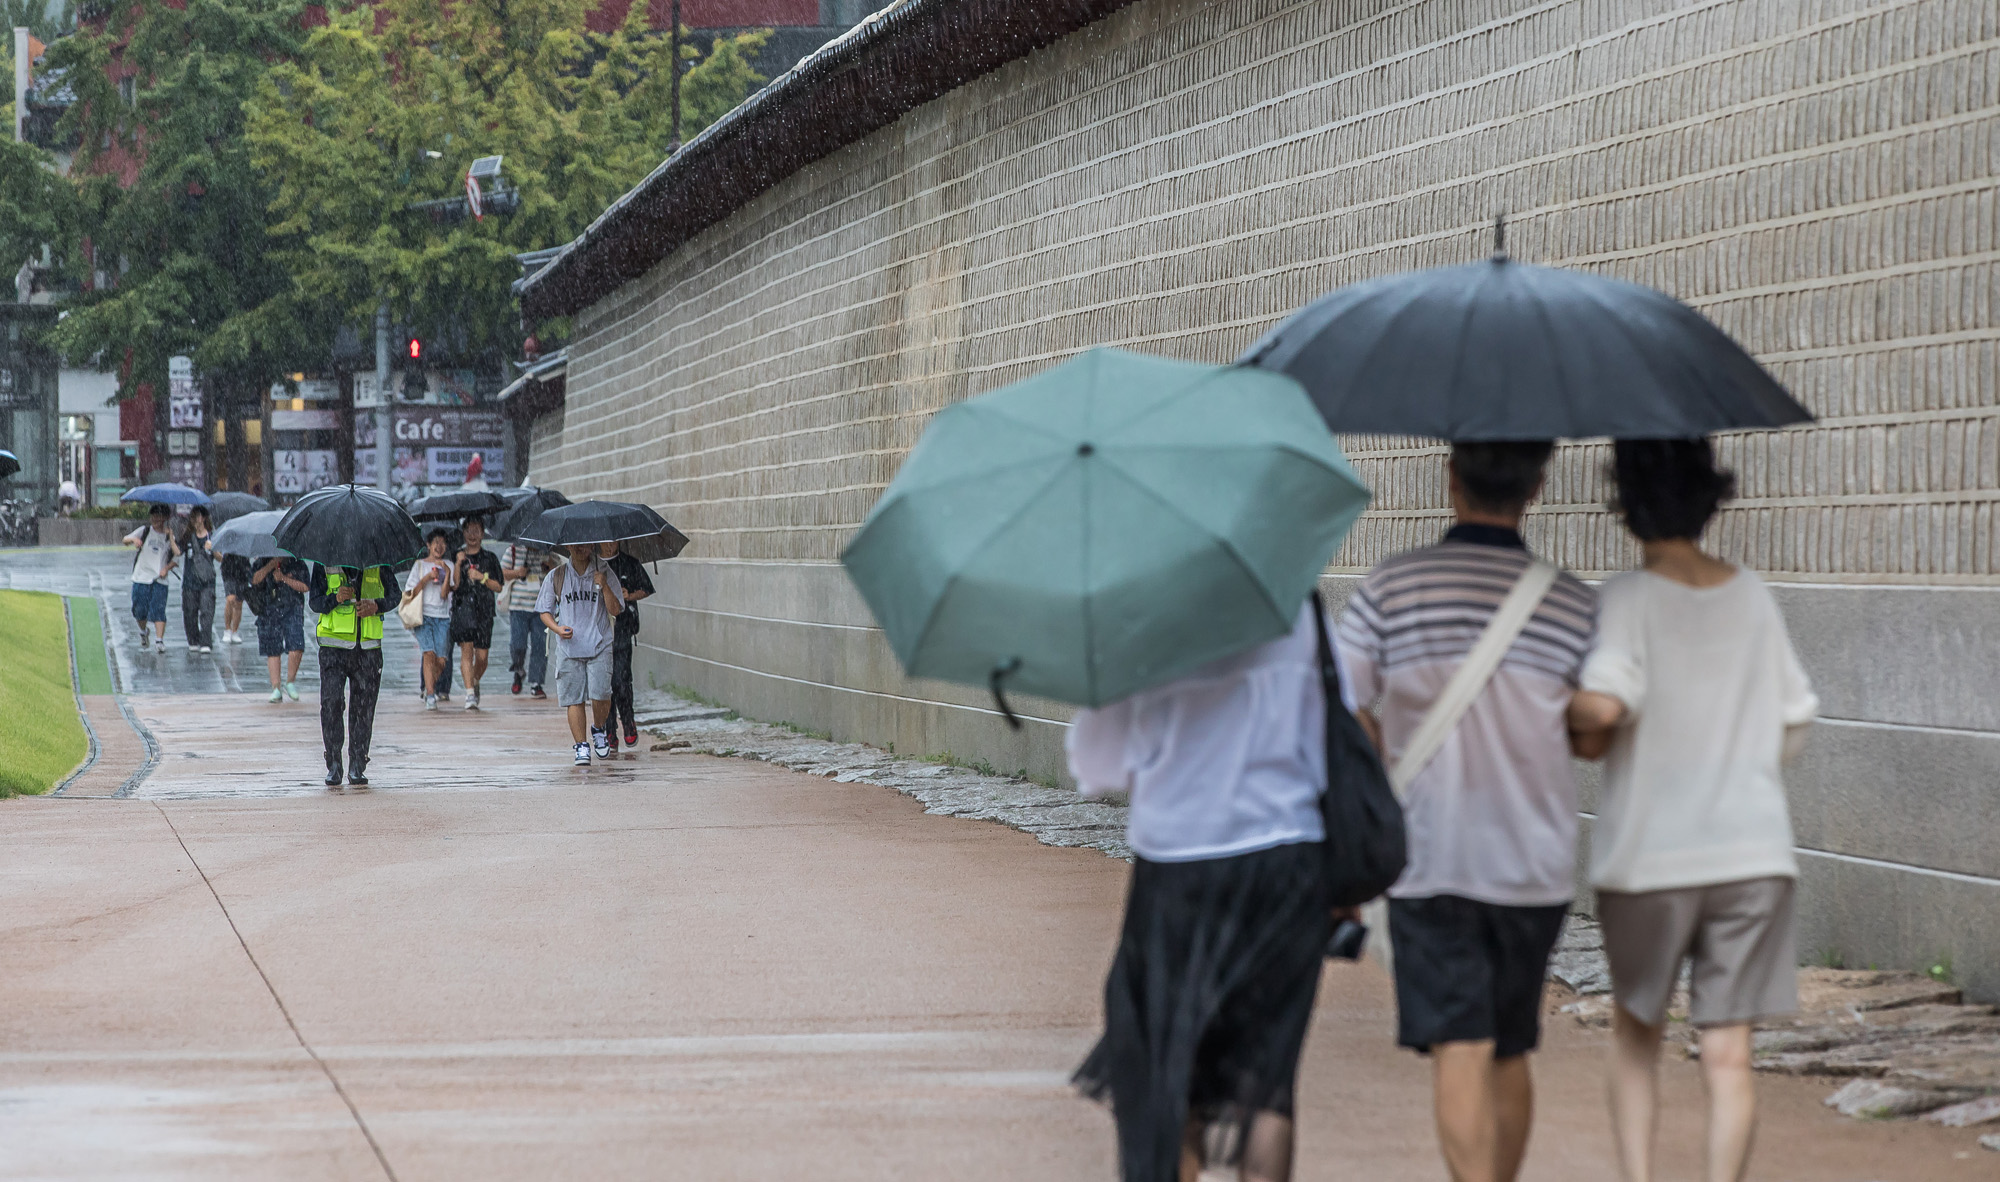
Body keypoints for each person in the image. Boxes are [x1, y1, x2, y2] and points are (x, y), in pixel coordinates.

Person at [1334, 441, 1596, 1182]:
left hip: (1429, 856)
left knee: (1459, 1043)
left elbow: (1341, 696)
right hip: (1532, 863)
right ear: (1538, 485)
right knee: (1510, 1046)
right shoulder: (1571, 600)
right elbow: (1598, 725)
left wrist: (1383, 758)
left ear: (1450, 478)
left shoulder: (1393, 585)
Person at [1565, 440, 1817, 1182]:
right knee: (1729, 1050)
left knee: (1636, 1034)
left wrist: (1551, 696)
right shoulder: (1752, 596)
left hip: (1650, 858)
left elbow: (1606, 704)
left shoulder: (1625, 600)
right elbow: (1795, 722)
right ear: (1711, 497)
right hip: (1753, 854)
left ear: (1626, 504)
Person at [1067, 599, 1338, 1182]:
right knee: (1267, 1077)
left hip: (1179, 866)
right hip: (1287, 861)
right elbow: (1330, 743)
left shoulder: (1139, 618)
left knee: (1169, 1062)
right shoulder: (1298, 611)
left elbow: (1097, 766)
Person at [309, 561, 400, 786]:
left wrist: (376, 605)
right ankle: (334, 763)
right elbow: (315, 602)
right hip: (333, 649)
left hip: (368, 649)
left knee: (364, 709)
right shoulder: (324, 562)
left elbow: (395, 595)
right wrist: (335, 598)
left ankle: (358, 763)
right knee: (331, 704)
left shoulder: (378, 561)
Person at [536, 542, 625, 765]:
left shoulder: (603, 571)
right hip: (569, 646)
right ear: (567, 547)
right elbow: (544, 610)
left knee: (601, 694)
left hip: (599, 643)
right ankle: (581, 745)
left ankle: (598, 728)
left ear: (592, 546)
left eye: (585, 544)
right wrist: (557, 628)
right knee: (573, 698)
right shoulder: (557, 576)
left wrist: (604, 586)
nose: (580, 548)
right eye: (575, 544)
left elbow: (616, 609)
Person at [598, 540, 654, 750]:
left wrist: (629, 595)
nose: (610, 545)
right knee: (604, 684)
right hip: (599, 631)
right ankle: (609, 729)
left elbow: (646, 589)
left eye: (614, 541)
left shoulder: (628, 563)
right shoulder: (593, 564)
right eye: (606, 541)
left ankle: (628, 721)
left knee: (621, 680)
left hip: (622, 629)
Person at [451, 516, 505, 710]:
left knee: (482, 657)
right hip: (463, 609)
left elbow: (498, 586)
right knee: (466, 651)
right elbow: (453, 585)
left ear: (482, 533)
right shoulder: (456, 555)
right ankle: (469, 694)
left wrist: (482, 578)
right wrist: (458, 564)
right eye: (468, 530)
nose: (472, 535)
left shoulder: (489, 558)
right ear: (463, 533)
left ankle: (474, 680)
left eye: (476, 531)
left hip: (484, 611)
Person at [403, 528, 456, 709]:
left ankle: (428, 685)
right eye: (435, 543)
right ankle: (431, 695)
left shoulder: (449, 564)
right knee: (428, 653)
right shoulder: (419, 565)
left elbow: (444, 595)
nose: (438, 546)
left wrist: (447, 573)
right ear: (428, 545)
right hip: (423, 616)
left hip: (442, 617)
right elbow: (411, 592)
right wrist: (426, 578)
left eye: (442, 543)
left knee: (441, 659)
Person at [251, 553, 310, 702]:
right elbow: (254, 580)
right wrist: (270, 565)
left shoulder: (297, 562)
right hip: (268, 608)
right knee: (272, 649)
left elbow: (305, 586)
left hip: (292, 607)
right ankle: (276, 688)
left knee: (296, 644)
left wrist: (284, 578)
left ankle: (290, 681)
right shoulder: (261, 561)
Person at [122, 505, 180, 650]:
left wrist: (166, 568)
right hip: (141, 576)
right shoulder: (144, 531)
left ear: (166, 518)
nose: (156, 519)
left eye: (159, 516)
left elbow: (177, 557)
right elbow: (125, 539)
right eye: (153, 516)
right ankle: (143, 631)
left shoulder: (169, 536)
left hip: (159, 579)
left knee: (159, 610)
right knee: (139, 610)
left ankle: (159, 640)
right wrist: (133, 541)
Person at [501, 538, 550, 697]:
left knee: (540, 645)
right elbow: (502, 572)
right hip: (518, 607)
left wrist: (549, 566)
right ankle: (518, 669)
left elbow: (557, 572)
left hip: (541, 608)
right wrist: (517, 573)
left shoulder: (547, 551)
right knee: (517, 644)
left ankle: (536, 683)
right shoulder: (514, 550)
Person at [179, 506, 219, 653]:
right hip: (189, 581)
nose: (194, 520)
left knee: (207, 611)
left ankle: (206, 641)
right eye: (192, 517)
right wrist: (170, 536)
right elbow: (178, 551)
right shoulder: (188, 536)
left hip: (207, 581)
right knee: (189, 611)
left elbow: (221, 558)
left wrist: (213, 548)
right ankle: (193, 639)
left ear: (203, 518)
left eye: (197, 516)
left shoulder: (212, 536)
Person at [220, 550, 252, 644]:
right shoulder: (228, 538)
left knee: (239, 602)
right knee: (230, 599)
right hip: (229, 569)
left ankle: (235, 631)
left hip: (243, 569)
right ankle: (227, 629)